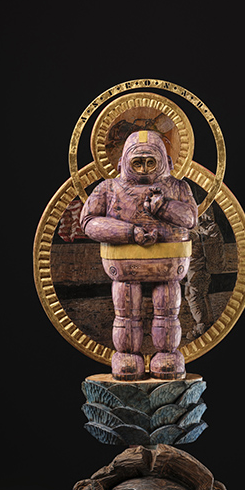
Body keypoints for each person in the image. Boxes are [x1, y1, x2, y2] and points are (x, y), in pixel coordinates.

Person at [80, 130, 198, 380]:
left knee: (167, 313)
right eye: (138, 162)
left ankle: (167, 355)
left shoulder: (178, 187)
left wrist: (164, 206)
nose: (144, 169)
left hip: (167, 267)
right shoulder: (109, 188)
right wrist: (129, 232)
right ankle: (126, 356)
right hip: (125, 268)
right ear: (121, 163)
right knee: (126, 314)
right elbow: (88, 222)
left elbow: (190, 219)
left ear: (167, 162)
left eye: (151, 161)